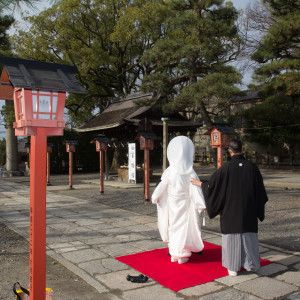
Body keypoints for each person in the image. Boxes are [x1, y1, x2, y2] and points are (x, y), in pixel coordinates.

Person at [191, 139, 268, 276]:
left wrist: (201, 184)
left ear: (230, 151)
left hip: (231, 212)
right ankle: (252, 264)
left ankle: (233, 268)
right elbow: (260, 192)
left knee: (231, 238)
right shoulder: (252, 167)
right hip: (248, 211)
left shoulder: (225, 168)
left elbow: (213, 187)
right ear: (242, 149)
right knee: (249, 237)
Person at [152, 136, 206, 264]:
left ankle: (175, 253)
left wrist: (156, 197)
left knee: (173, 227)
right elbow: (195, 189)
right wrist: (200, 203)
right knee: (183, 228)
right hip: (185, 203)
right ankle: (181, 254)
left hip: (172, 202)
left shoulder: (170, 171)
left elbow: (162, 186)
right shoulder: (190, 171)